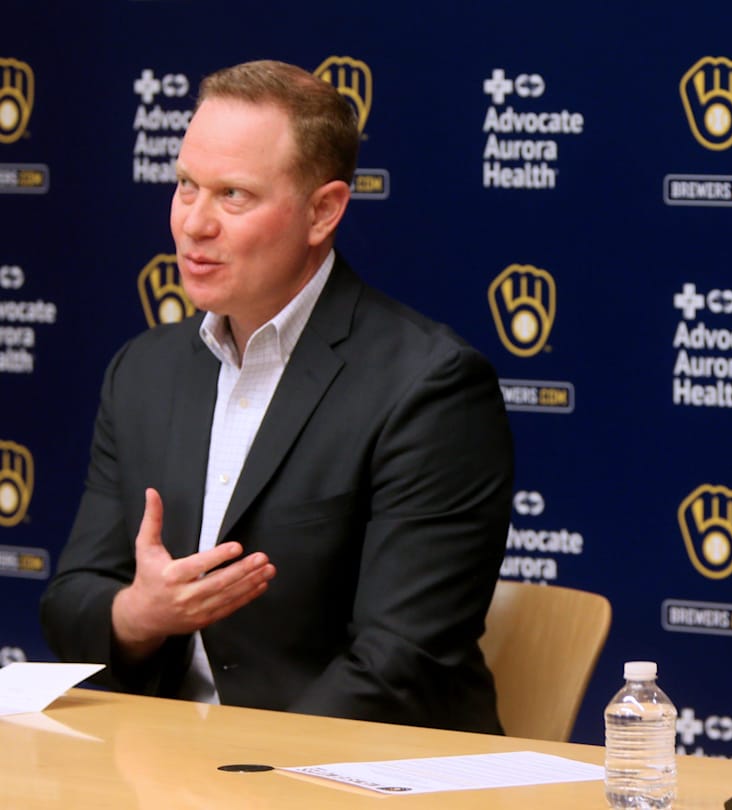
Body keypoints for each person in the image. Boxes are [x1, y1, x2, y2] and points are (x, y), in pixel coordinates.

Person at [40, 60, 514, 734]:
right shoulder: (142, 371)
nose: (194, 224)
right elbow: (72, 603)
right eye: (185, 187)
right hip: (171, 763)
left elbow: (401, 662)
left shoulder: (429, 386)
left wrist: (246, 776)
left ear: (324, 211)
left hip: (352, 771)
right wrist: (139, 616)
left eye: (233, 195)